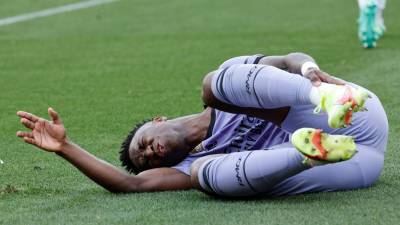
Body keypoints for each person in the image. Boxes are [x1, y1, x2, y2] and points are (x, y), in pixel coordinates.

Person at [16, 53, 388, 197]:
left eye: (144, 143)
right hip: (353, 165)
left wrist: (311, 73)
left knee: (214, 82)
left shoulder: (224, 97)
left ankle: (318, 98)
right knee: (203, 174)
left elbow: (290, 59)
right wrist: (65, 148)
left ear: (157, 120)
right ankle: (305, 152)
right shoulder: (185, 165)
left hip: (352, 111)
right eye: (148, 160)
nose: (149, 153)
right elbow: (129, 183)